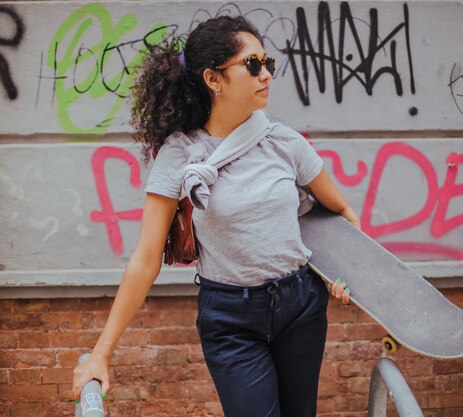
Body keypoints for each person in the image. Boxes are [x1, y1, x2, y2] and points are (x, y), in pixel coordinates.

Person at [72, 15, 360, 417]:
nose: (266, 75)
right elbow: (145, 258)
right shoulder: (180, 153)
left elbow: (341, 211)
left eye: (268, 63)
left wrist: (349, 274)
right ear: (213, 79)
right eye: (253, 65)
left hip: (300, 306)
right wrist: (102, 353)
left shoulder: (285, 142)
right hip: (230, 318)